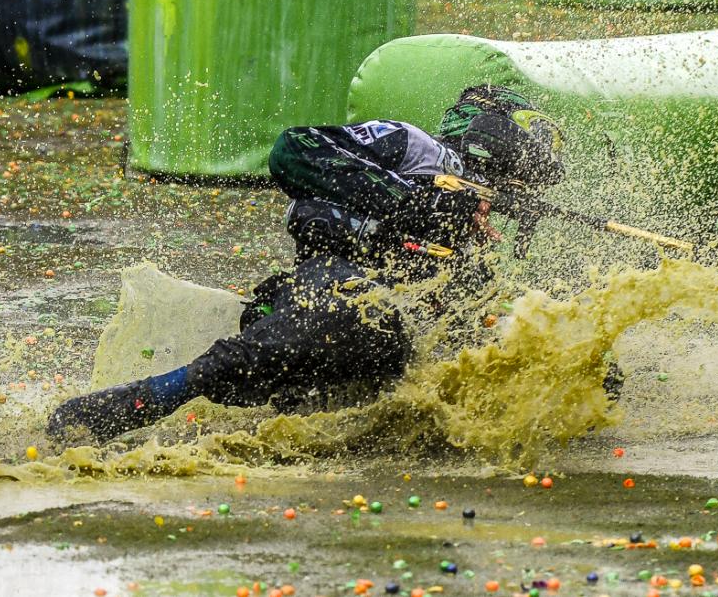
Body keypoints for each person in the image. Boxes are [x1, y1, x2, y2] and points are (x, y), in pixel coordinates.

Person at [47, 86, 566, 443]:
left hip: (383, 340)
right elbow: (293, 150)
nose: (518, 196)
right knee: (254, 355)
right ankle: (144, 398)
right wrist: (418, 202)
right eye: (523, 176)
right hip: (332, 290)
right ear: (499, 135)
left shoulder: (479, 234)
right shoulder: (416, 148)